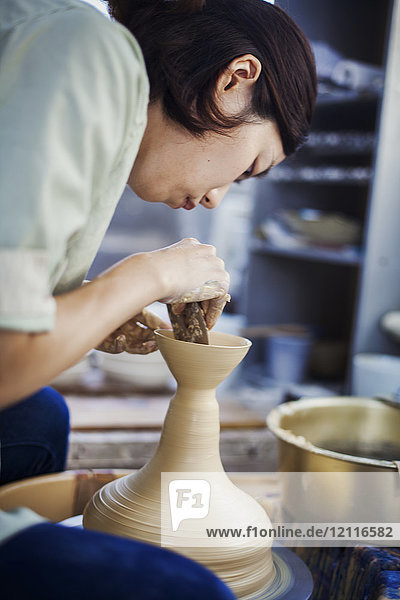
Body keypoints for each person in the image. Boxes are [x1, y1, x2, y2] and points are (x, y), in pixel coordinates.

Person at [0, 0, 317, 597]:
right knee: (190, 590)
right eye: (248, 167)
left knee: (41, 418)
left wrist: (99, 311)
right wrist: (149, 277)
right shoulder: (87, 50)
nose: (219, 197)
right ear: (233, 81)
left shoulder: (98, 94)